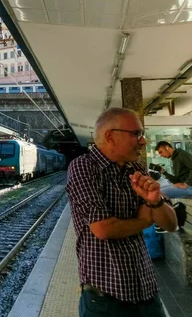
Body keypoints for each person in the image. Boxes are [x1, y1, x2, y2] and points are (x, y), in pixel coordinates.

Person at [66, 108, 177, 317]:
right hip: (105, 300)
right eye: (136, 133)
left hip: (147, 291)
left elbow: (171, 225)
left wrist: (155, 202)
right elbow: (103, 229)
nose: (143, 141)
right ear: (110, 136)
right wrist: (145, 220)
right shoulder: (83, 167)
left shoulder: (137, 169)